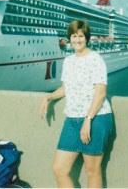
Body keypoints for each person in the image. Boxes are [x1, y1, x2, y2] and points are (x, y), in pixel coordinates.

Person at [38, 20, 113, 188]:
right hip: (72, 120)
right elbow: (66, 88)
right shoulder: (69, 60)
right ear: (69, 38)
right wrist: (48, 97)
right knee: (59, 169)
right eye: (74, 36)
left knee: (91, 170)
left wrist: (88, 120)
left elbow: (100, 93)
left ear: (86, 38)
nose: (77, 40)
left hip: (96, 119)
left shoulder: (96, 59)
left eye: (81, 36)